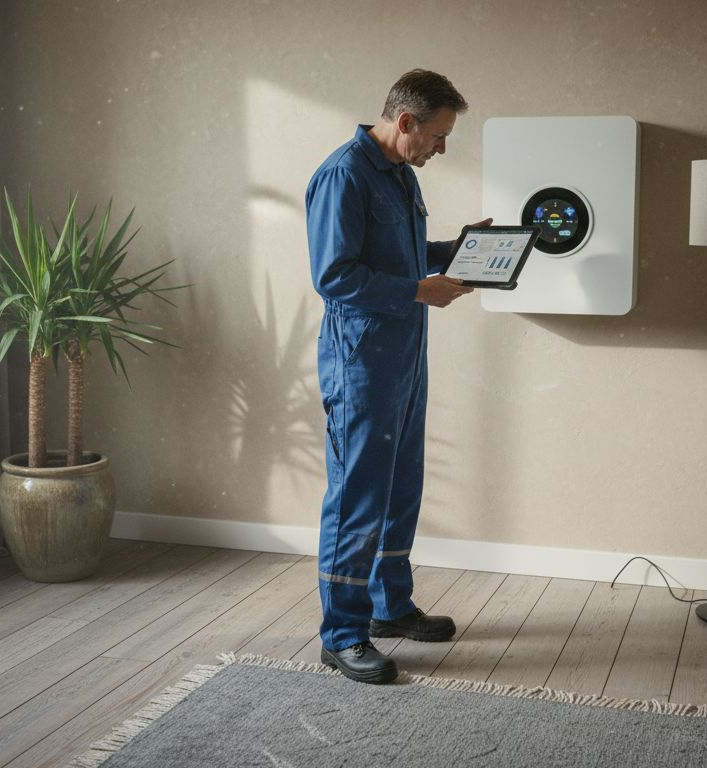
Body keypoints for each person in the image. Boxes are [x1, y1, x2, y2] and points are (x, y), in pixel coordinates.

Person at [306, 69, 487, 684]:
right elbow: (334, 276)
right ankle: (343, 635)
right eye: (437, 135)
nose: (441, 148)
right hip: (360, 366)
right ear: (405, 121)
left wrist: (460, 248)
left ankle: (389, 607)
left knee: (400, 487)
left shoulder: (401, 174)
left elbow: (401, 257)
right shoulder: (344, 175)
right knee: (357, 497)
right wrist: (417, 288)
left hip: (406, 359)